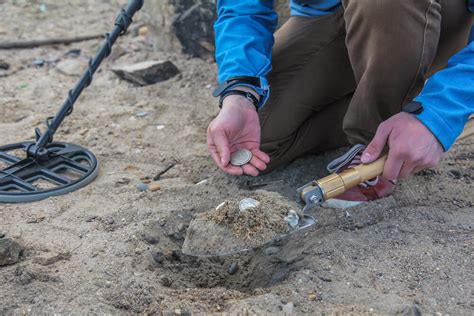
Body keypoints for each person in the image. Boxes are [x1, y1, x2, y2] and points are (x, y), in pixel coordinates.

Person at [207, 0, 474, 207]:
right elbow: (241, 7)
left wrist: (439, 113)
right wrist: (241, 93)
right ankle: (392, 99)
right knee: (259, 139)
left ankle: (372, 150)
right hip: (325, 16)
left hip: (427, 16)